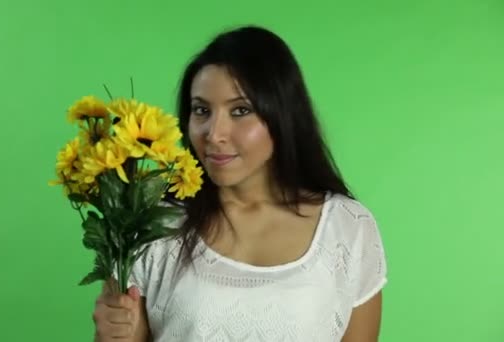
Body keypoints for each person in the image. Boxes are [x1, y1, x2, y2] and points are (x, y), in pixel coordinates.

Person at [92, 25, 388, 342]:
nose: (214, 133)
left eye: (241, 110)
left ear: (282, 114)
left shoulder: (348, 229)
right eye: (201, 110)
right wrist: (112, 334)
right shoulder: (152, 226)